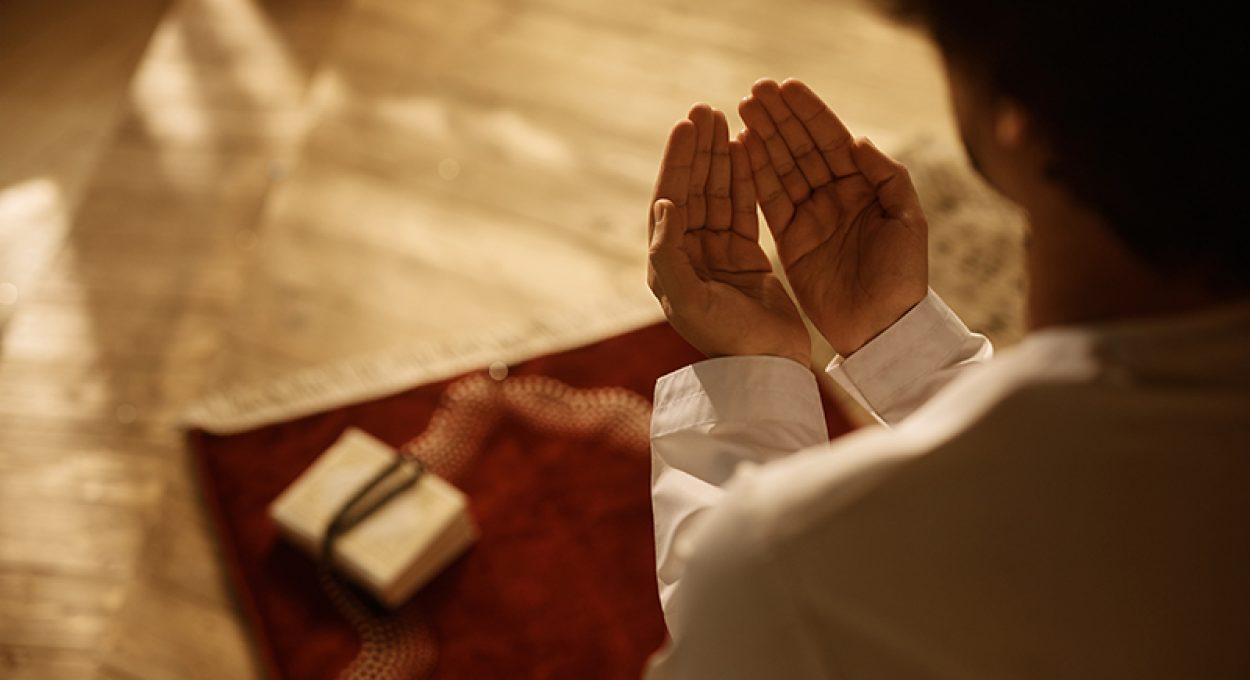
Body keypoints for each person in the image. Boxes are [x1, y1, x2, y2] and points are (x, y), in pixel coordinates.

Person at [643, 2, 1248, 678]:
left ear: (1016, 120)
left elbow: (752, 623)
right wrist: (901, 345)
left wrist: (747, 392)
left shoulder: (790, 563)